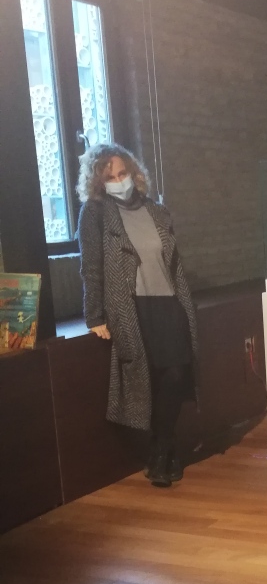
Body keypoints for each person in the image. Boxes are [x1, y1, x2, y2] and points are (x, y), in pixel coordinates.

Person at [78, 144, 197, 488]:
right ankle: (164, 455)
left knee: (175, 375)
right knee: (149, 379)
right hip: (130, 307)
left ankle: (161, 445)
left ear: (133, 171)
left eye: (122, 173)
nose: (119, 181)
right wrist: (94, 316)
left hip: (169, 303)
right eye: (110, 177)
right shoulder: (95, 213)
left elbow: (173, 262)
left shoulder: (156, 210)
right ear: (99, 183)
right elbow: (91, 267)